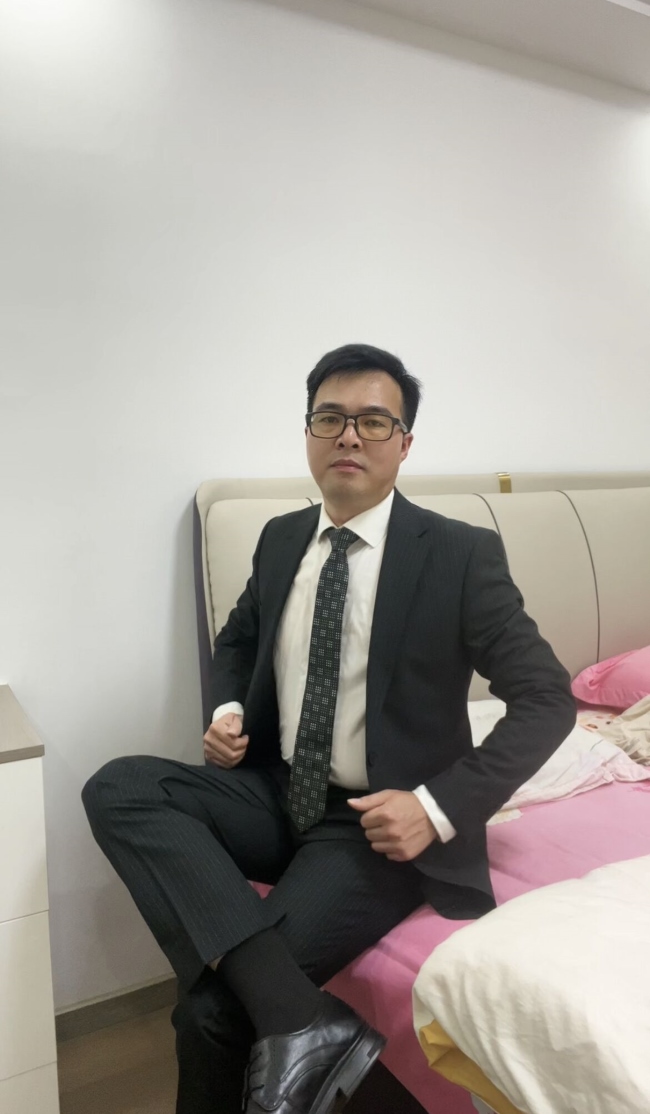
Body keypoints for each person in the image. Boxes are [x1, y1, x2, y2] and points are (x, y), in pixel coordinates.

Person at [83, 344, 576, 1114]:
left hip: (372, 825)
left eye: (374, 421)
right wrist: (227, 713)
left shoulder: (457, 554)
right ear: (309, 433)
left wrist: (435, 808)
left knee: (211, 1013)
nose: (349, 435)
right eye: (330, 418)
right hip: (276, 792)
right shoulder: (282, 539)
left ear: (404, 444)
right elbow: (237, 638)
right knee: (118, 786)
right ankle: (303, 1021)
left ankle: (286, 1023)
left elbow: (548, 698)